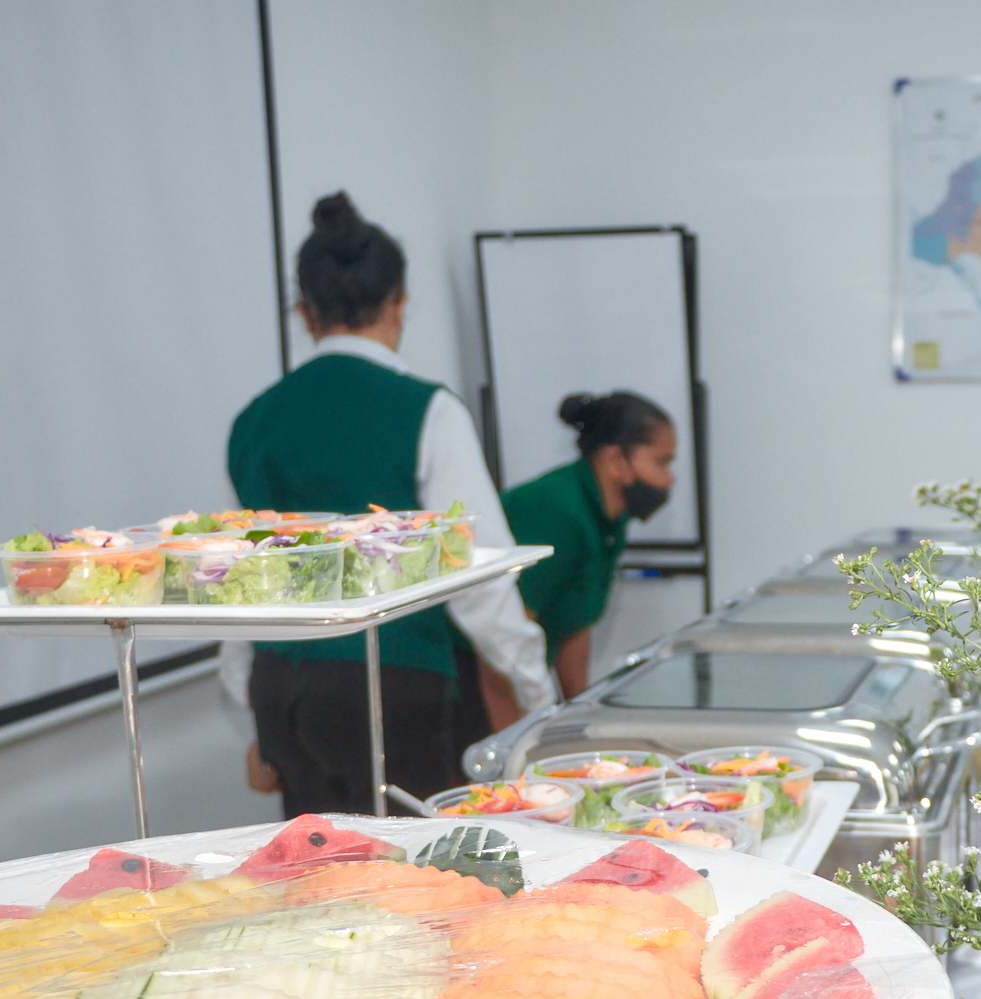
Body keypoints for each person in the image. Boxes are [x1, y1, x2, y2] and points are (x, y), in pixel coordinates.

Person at [229, 192, 556, 816]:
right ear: (399, 303)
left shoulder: (254, 421)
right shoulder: (428, 410)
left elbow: (230, 578)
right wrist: (538, 701)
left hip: (281, 692)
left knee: (312, 864)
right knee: (415, 866)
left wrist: (252, 716)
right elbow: (482, 577)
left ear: (304, 312)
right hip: (394, 686)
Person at [500, 392, 676, 698]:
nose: (669, 480)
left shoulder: (610, 521)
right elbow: (508, 634)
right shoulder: (557, 510)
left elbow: (573, 623)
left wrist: (579, 707)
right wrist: (525, 717)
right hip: (472, 684)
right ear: (615, 460)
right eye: (661, 462)